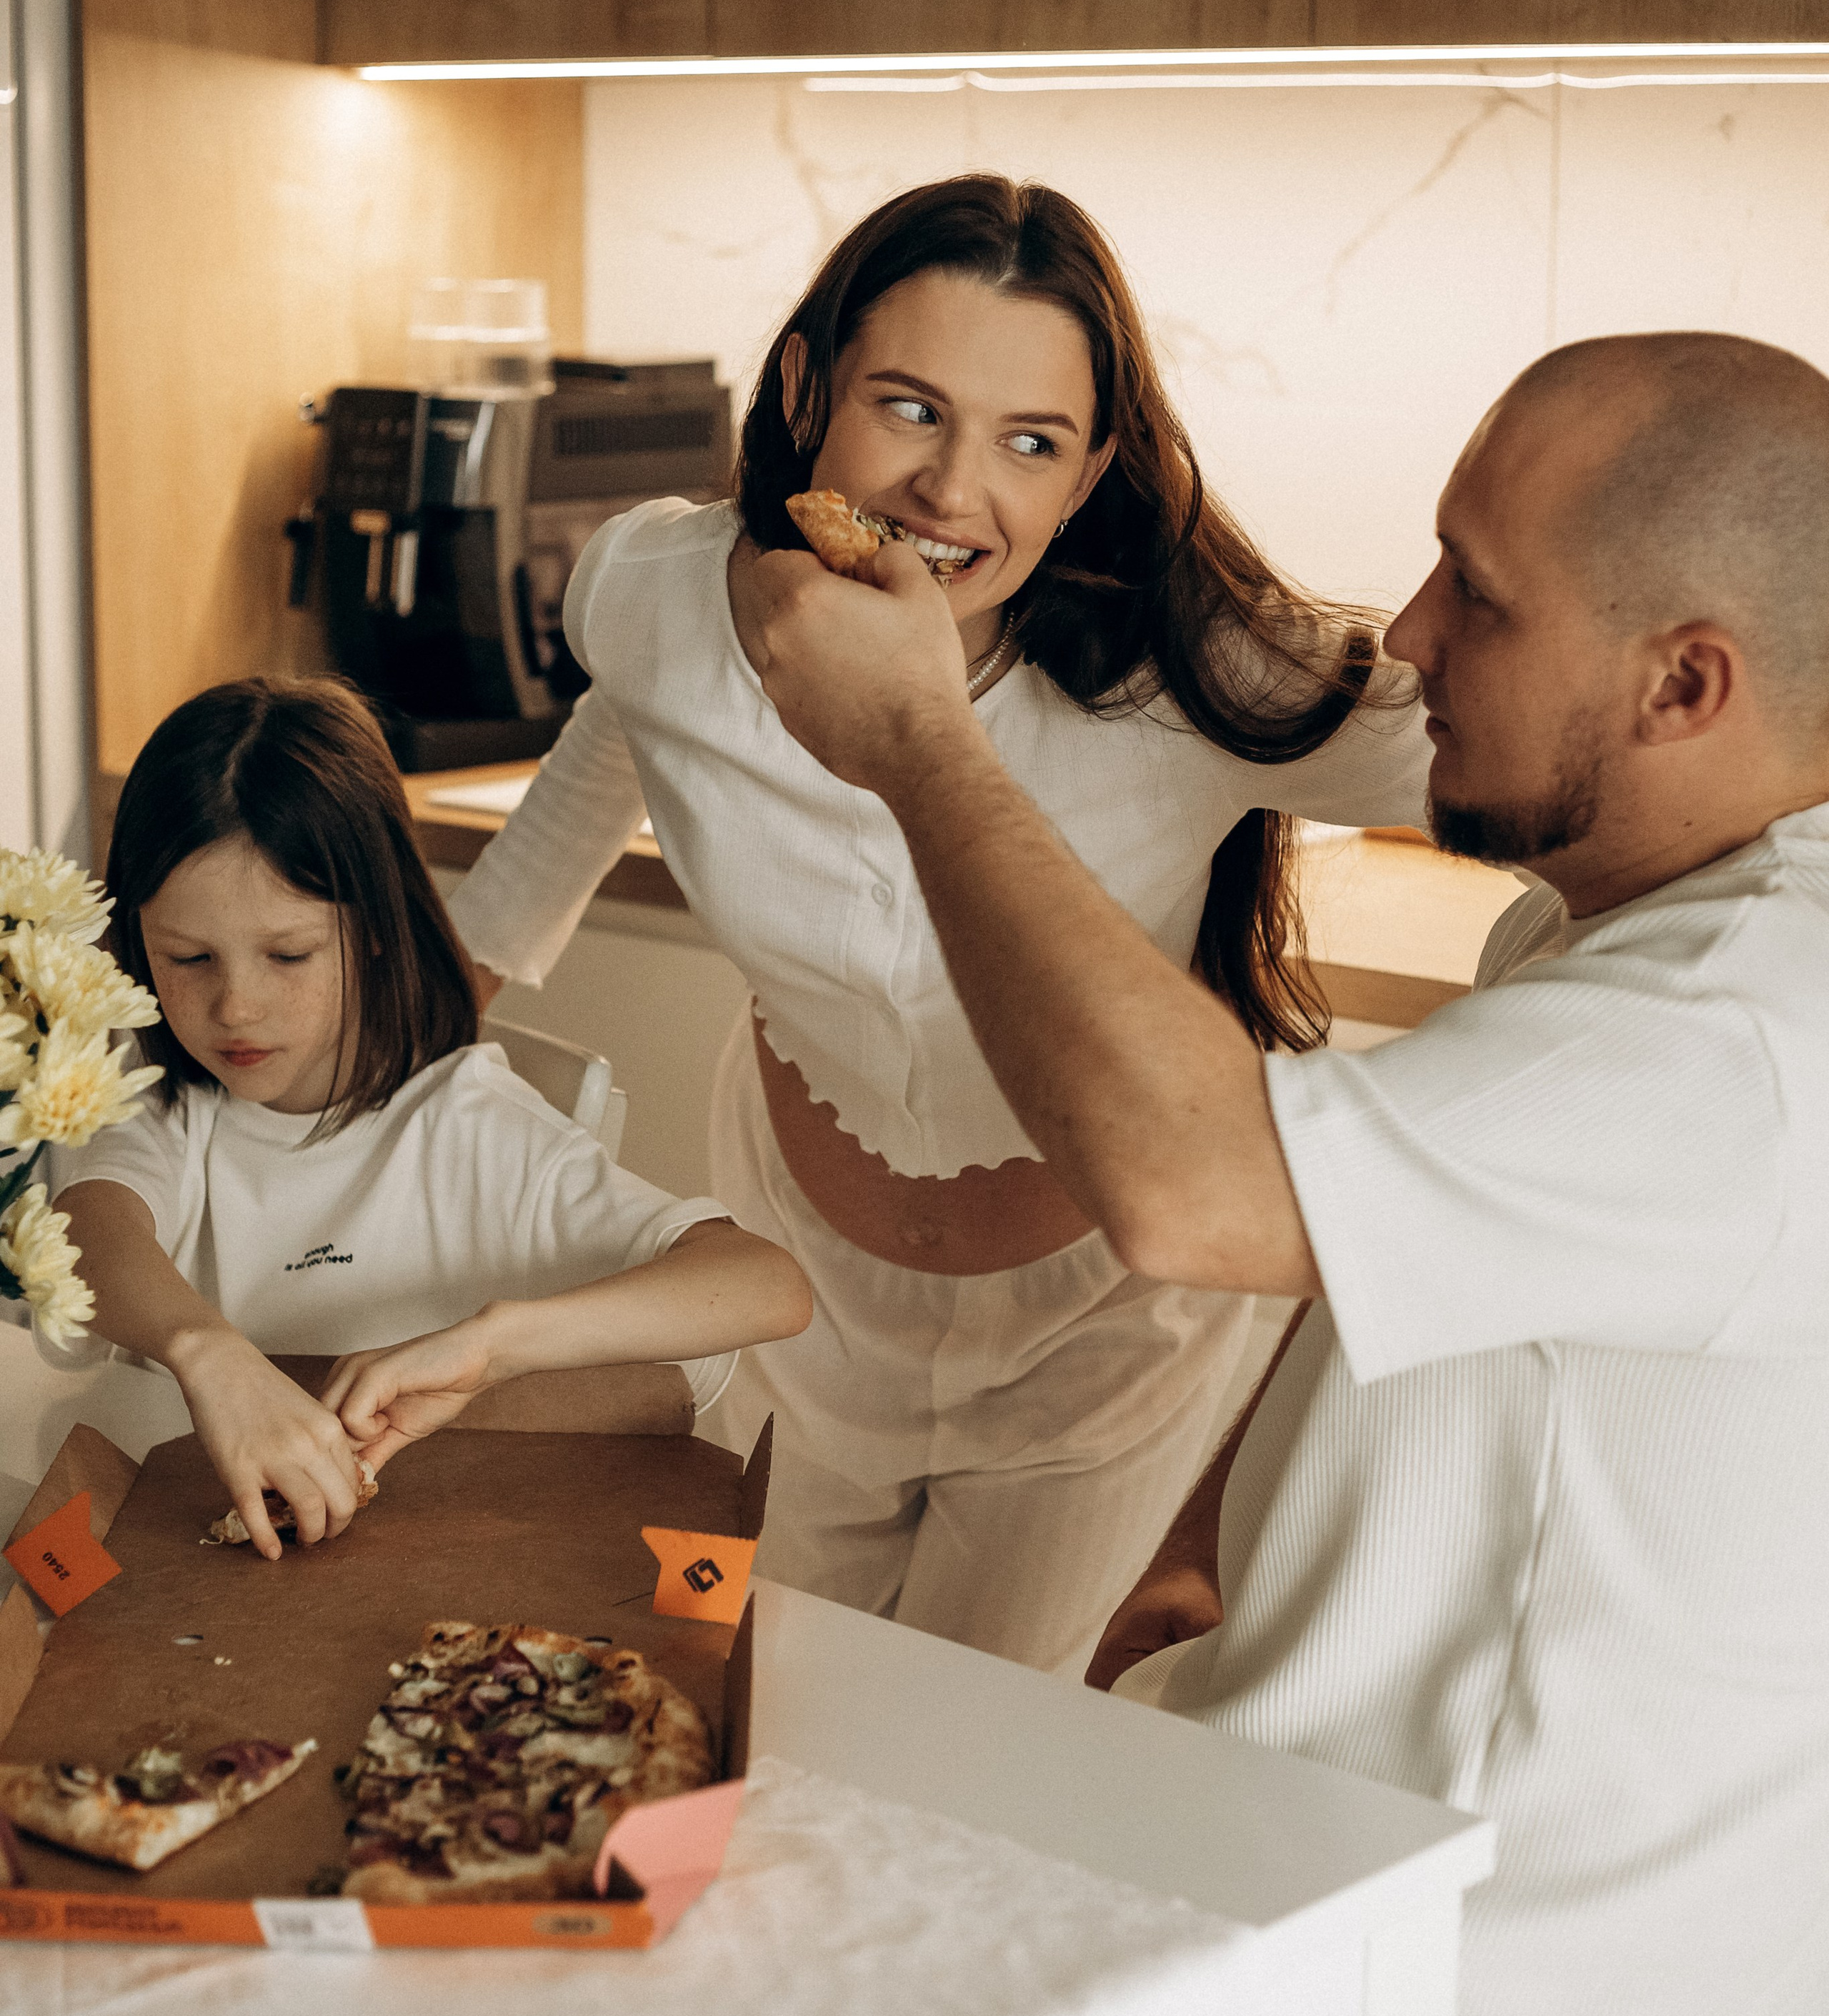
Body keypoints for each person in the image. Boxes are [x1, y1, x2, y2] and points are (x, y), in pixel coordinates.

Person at [737, 329, 1829, 2016]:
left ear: (1685, 683)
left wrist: (920, 744)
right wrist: (1203, 1550)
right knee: (789, 1774)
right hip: (1576, 1957)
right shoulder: (1672, 940)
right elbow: (1422, 1286)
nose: (1404, 636)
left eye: (1478, 594)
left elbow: (1192, 1188)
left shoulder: (1729, 1047)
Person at [445, 175, 1430, 1672]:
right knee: (772, 1711)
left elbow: (1502, 758)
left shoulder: (1195, 669)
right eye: (907, 408)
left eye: (1027, 442)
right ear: (805, 388)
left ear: (1092, 470)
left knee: (977, 1757)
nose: (950, 492)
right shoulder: (657, 584)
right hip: (790, 1288)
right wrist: (459, 977)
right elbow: (619, 712)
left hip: (1100, 1333)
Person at [54, 678, 810, 1556]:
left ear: (376, 927)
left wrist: (497, 1344)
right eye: (188, 958)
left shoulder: (473, 1126)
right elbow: (88, 1228)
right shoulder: (165, 1115)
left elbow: (767, 1285)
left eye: (289, 954)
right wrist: (208, 1355)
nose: (236, 1007)